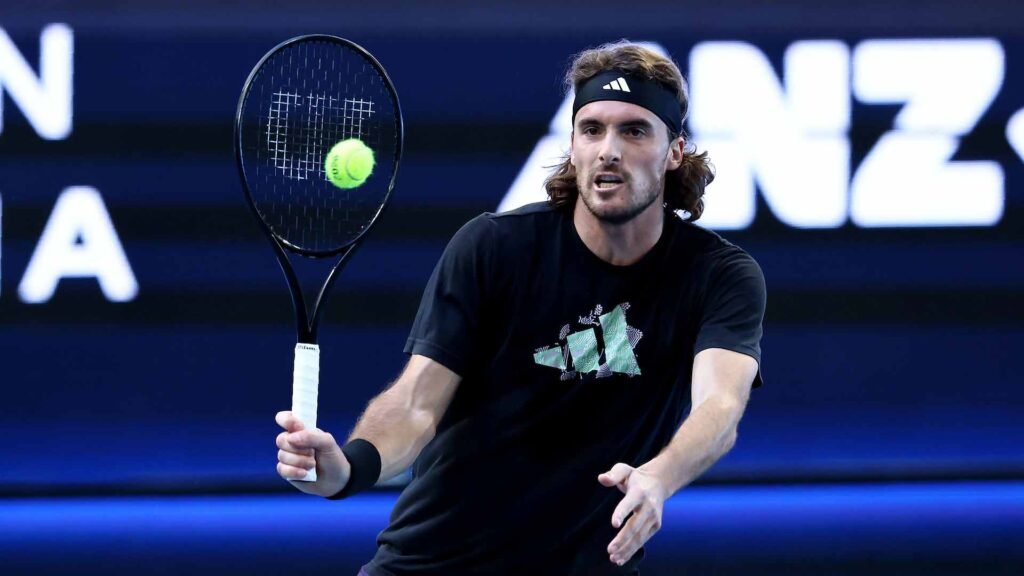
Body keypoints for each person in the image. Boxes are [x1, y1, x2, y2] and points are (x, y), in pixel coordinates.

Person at [275, 40, 765, 576]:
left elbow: (720, 407)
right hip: (436, 564)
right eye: (592, 129)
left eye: (634, 131)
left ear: (675, 151)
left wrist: (658, 476)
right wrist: (349, 468)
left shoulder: (718, 275)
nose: (608, 150)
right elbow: (417, 403)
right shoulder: (494, 247)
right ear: (573, 145)